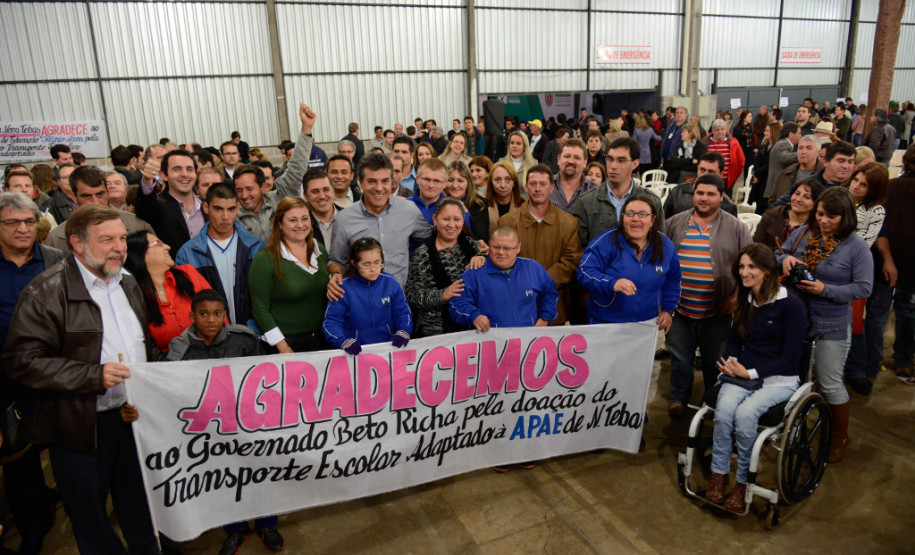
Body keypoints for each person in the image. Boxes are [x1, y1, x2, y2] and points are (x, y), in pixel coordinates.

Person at [2, 204, 159, 554]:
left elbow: (142, 346)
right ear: (77, 243)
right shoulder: (45, 292)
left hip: (130, 418)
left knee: (140, 509)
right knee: (91, 520)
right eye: (107, 240)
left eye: (121, 238)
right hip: (78, 427)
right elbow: (21, 362)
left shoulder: (128, 283)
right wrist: (93, 375)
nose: (120, 246)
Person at [705, 244, 808, 513]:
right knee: (725, 410)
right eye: (741, 267)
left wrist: (749, 372)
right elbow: (735, 339)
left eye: (751, 267)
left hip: (779, 379)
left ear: (767, 271)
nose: (744, 272)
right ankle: (719, 473)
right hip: (744, 372)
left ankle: (742, 481)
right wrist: (729, 363)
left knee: (746, 414)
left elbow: (790, 358)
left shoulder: (792, 305)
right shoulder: (746, 300)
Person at [777, 187, 873, 463]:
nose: (824, 221)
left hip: (831, 322)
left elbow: (864, 287)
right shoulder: (806, 233)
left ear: (846, 217)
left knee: (829, 381)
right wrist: (786, 260)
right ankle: (793, 423)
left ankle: (839, 436)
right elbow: (778, 253)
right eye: (820, 214)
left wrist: (824, 289)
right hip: (797, 317)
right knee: (794, 376)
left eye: (831, 217)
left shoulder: (856, 247)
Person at [0, 192, 63, 554]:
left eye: (28, 221)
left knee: (64, 448)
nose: (22, 229)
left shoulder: (57, 261)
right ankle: (33, 530)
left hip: (57, 374)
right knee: (19, 461)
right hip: (8, 380)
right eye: (12, 222)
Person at [665, 173, 752, 419]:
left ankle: (713, 404)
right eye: (700, 193)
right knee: (680, 359)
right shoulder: (674, 223)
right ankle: (678, 399)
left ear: (721, 196)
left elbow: (750, 266)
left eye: (710, 194)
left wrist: (736, 298)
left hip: (717, 311)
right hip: (679, 309)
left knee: (716, 361)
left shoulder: (736, 227)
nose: (704, 198)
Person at [577, 194, 680, 327]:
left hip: (646, 325)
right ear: (622, 217)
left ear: (653, 220)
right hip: (605, 323)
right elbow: (584, 271)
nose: (635, 219)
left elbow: (673, 280)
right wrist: (611, 283)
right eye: (630, 213)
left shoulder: (666, 245)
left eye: (643, 214)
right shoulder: (605, 241)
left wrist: (667, 309)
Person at [497, 164, 582, 325]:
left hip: (555, 310)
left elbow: (571, 263)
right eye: (533, 184)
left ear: (551, 188)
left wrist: (539, 283)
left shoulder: (569, 223)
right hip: (516, 306)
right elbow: (500, 260)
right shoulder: (506, 222)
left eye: (543, 184)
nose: (537, 188)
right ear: (526, 187)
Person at [174, 184, 265, 327]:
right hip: (210, 341)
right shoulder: (187, 254)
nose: (225, 216)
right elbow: (185, 306)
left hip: (252, 337)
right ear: (206, 208)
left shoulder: (256, 247)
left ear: (237, 208)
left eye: (231, 209)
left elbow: (265, 299)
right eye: (218, 209)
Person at [250, 196, 329, 353]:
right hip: (287, 344)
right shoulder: (265, 259)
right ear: (280, 223)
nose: (300, 225)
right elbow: (259, 309)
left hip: (323, 339)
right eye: (293, 220)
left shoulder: (320, 251)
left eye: (305, 218)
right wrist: (283, 347)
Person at [449, 225, 558, 332]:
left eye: (507, 248)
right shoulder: (474, 273)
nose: (501, 252)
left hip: (528, 342)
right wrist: (474, 316)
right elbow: (456, 303)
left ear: (518, 248)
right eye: (496, 247)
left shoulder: (533, 268)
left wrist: (545, 317)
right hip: (491, 342)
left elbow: (550, 293)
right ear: (489, 245)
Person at [405, 198, 486, 337]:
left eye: (457, 219)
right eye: (446, 219)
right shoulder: (421, 255)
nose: (452, 225)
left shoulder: (473, 246)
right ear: (435, 219)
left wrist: (482, 257)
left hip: (472, 330)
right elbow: (411, 295)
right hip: (435, 334)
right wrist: (442, 295)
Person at [123, 230, 212, 353]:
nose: (167, 247)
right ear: (141, 254)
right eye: (159, 244)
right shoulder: (136, 296)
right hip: (167, 367)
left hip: (210, 357)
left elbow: (218, 313)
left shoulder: (189, 274)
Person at [842, 163, 889, 395]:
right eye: (856, 180)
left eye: (864, 184)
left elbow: (864, 242)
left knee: (855, 323)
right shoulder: (840, 196)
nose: (856, 186)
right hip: (828, 267)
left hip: (855, 273)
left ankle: (856, 370)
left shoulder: (876, 210)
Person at [324, 238, 412, 354]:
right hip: (355, 352)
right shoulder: (342, 287)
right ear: (354, 263)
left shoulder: (390, 283)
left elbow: (402, 313)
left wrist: (404, 330)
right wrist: (342, 341)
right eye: (366, 265)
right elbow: (331, 322)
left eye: (377, 263)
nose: (373, 269)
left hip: (388, 348)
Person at [574, 137, 663, 248]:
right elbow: (579, 248)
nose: (613, 166)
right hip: (598, 264)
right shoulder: (586, 201)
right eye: (610, 159)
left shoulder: (652, 202)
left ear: (635, 164)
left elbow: (659, 245)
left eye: (621, 160)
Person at [44, 165, 153, 251]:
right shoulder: (57, 239)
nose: (95, 202)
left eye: (100, 194)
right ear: (73, 196)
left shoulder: (138, 226)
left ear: (108, 191)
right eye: (86, 196)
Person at [754, 178, 826, 249]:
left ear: (816, 203)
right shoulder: (771, 216)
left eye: (807, 197)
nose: (798, 199)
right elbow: (756, 247)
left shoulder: (818, 225)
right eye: (797, 194)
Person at [663, 152, 739, 219]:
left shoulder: (728, 206)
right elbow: (662, 224)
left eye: (711, 171)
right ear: (697, 169)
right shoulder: (677, 193)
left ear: (721, 174)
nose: (705, 174)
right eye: (702, 170)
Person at [768, 134, 825, 205]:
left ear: (818, 153)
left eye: (809, 148)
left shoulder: (824, 176)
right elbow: (773, 201)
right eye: (800, 148)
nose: (803, 152)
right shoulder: (786, 173)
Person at [551, 138, 598, 214]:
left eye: (577, 158)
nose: (571, 161)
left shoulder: (596, 191)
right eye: (567, 156)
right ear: (558, 159)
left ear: (585, 162)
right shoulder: (543, 185)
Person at [445, 161, 488, 241]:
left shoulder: (481, 205)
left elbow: (481, 238)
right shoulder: (439, 203)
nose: (455, 185)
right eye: (451, 180)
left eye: (460, 181)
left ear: (468, 183)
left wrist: (466, 215)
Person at [484, 161, 525, 238]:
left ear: (514, 183)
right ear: (491, 183)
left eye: (508, 179)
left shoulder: (524, 206)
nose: (503, 185)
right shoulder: (482, 206)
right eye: (497, 180)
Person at [704, 119, 746, 192]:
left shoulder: (734, 143)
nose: (720, 132)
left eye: (722, 129)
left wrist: (734, 177)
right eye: (717, 130)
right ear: (713, 131)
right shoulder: (705, 143)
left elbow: (741, 161)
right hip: (709, 181)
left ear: (726, 130)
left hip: (727, 182)